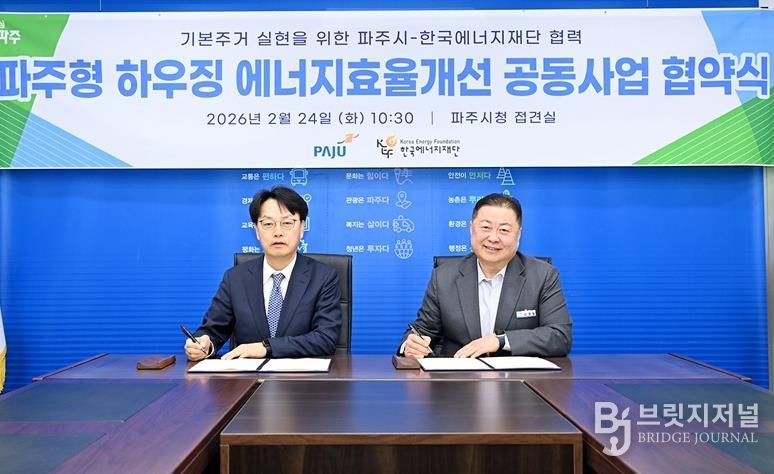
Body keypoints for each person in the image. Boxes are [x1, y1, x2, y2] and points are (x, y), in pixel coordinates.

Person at [399, 193, 572, 358]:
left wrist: (500, 341)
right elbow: (423, 331)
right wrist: (411, 345)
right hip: (459, 376)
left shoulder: (543, 276)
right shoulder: (443, 276)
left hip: (518, 377)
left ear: (518, 235)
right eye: (486, 228)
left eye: (504, 230)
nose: (493, 238)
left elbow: (559, 336)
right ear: (471, 229)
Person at [185, 186, 342, 361]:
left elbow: (325, 338)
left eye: (287, 223)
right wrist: (203, 345)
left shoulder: (323, 277)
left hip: (302, 376)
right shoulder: (235, 278)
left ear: (302, 227)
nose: (278, 232)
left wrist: (266, 347)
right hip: (247, 376)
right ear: (256, 230)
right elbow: (213, 331)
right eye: (268, 224)